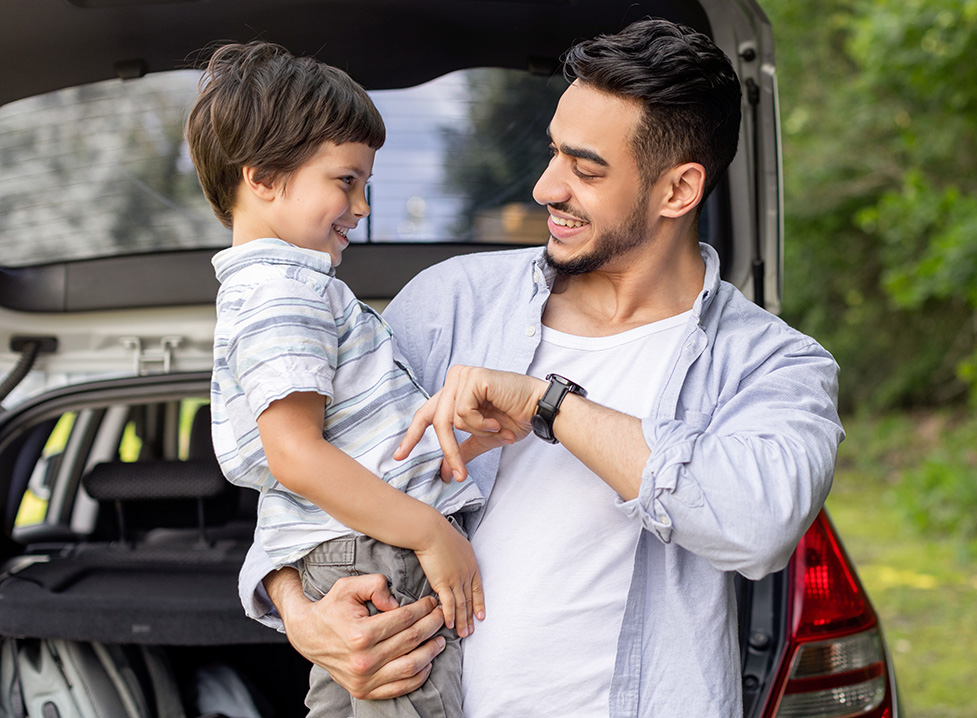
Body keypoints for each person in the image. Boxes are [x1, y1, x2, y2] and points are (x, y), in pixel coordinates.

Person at [240, 19, 845, 718]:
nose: (545, 187)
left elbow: (758, 523)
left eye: (585, 169)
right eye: (554, 152)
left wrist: (550, 405)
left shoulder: (773, 363)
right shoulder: (447, 303)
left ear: (678, 191)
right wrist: (296, 608)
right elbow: (309, 471)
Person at [186, 41, 496, 718]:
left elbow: (346, 433)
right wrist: (429, 531)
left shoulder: (260, 288)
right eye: (346, 180)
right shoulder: (287, 290)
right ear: (264, 176)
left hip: (342, 553)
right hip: (379, 552)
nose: (360, 206)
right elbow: (295, 453)